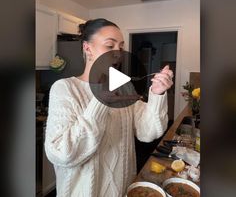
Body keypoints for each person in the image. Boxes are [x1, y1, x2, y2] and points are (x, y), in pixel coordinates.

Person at [45, 18, 173, 197]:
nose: (118, 53)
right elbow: (61, 154)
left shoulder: (123, 86)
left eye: (120, 47)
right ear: (87, 48)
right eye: (109, 46)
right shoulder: (65, 88)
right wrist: (99, 102)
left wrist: (157, 94)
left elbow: (148, 132)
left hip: (123, 189)